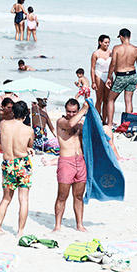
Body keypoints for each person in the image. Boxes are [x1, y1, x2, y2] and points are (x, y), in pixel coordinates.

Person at [0, 102, 34, 235]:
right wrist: (28, 148)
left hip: (8, 163)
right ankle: (20, 231)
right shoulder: (29, 130)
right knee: (23, 199)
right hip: (22, 163)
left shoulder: (3, 124)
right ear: (26, 114)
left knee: (6, 198)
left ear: (13, 111)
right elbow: (29, 145)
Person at [53, 98, 89, 231]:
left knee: (79, 196)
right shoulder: (62, 122)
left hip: (80, 162)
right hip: (66, 162)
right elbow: (70, 124)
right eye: (69, 111)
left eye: (74, 112)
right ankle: (57, 225)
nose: (71, 114)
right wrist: (84, 109)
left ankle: (79, 224)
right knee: (62, 196)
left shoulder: (81, 124)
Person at [108, 29, 137, 118]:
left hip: (121, 76)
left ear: (121, 37)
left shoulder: (116, 48)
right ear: (129, 37)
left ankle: (110, 123)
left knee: (110, 99)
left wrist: (109, 77)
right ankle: (128, 123)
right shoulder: (136, 49)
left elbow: (113, 63)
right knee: (129, 101)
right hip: (132, 75)